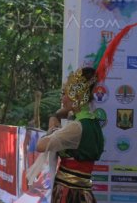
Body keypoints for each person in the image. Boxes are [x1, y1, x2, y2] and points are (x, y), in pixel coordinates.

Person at [35, 67, 104, 203]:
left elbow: (41, 145)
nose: (62, 98)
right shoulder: (92, 121)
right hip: (81, 191)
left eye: (64, 93)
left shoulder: (75, 127)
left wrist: (53, 126)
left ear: (76, 96)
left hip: (69, 193)